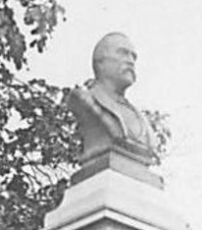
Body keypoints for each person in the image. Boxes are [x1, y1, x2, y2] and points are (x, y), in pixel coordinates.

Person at [67, 32, 156, 163]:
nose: (131, 61)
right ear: (100, 62)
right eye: (123, 53)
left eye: (133, 56)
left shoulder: (139, 118)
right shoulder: (84, 100)